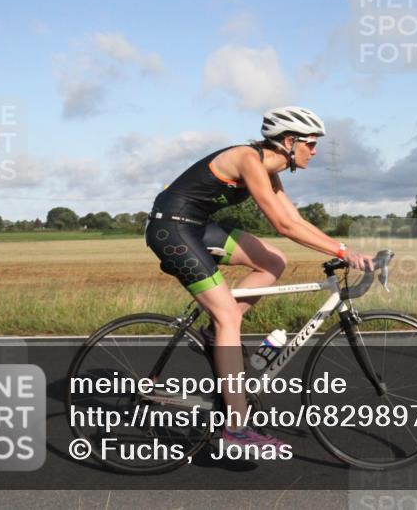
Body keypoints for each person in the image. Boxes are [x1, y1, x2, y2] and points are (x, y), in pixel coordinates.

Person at [145, 106, 374, 454]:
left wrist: (343, 247)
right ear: (287, 141)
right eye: (310, 143)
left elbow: (294, 219)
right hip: (171, 229)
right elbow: (283, 227)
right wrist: (344, 253)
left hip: (196, 226)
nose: (315, 151)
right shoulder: (248, 159)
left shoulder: (272, 172)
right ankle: (236, 428)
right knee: (227, 317)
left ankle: (217, 331)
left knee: (273, 260)